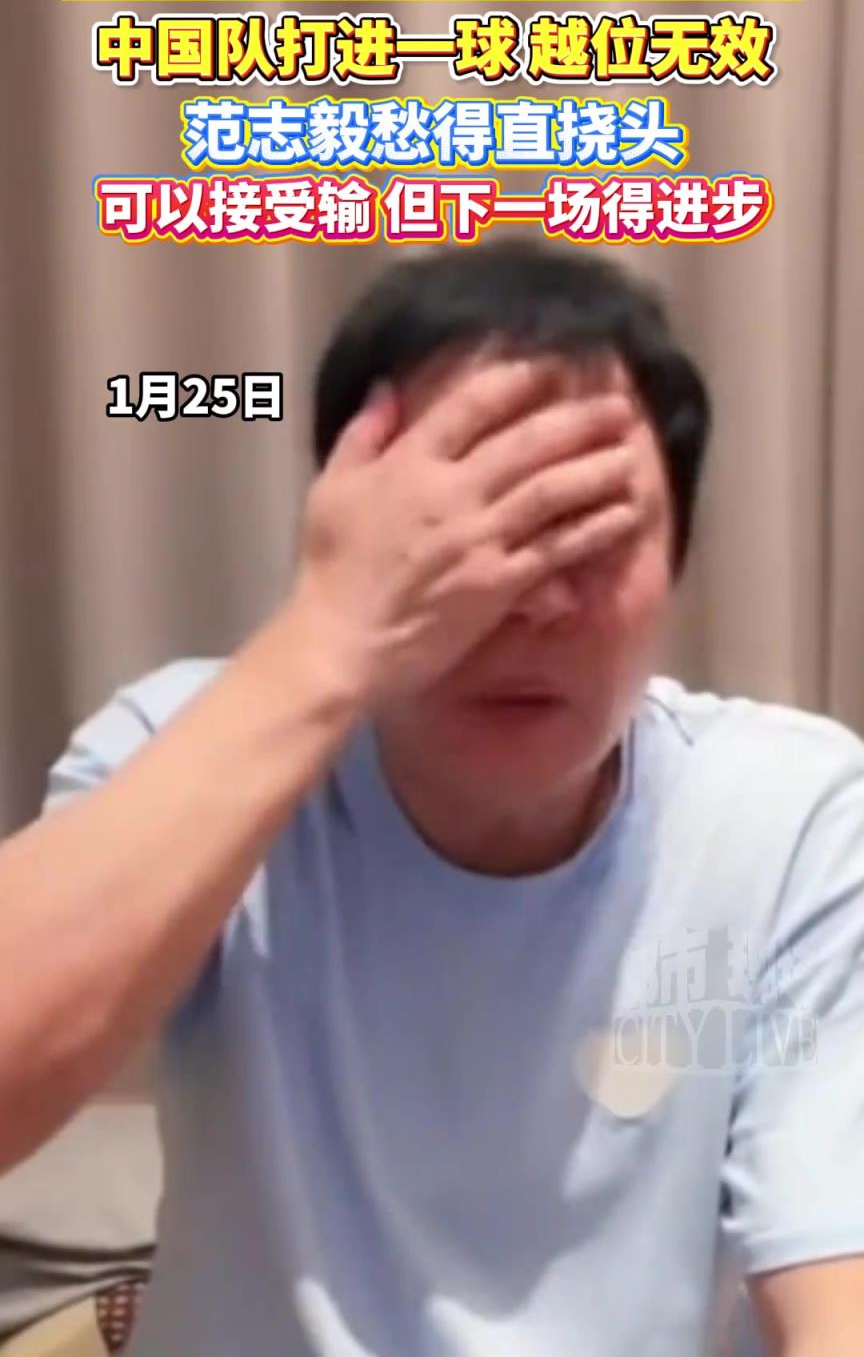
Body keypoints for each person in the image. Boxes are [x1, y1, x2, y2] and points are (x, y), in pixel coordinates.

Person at [0, 241, 863, 1357]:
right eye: (461, 533)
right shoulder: (190, 746)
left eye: (586, 530)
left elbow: (837, 1290)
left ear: (678, 565)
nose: (527, 599)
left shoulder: (790, 818)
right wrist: (325, 642)